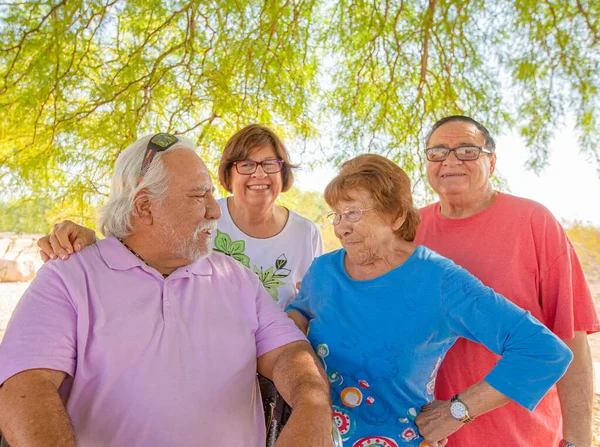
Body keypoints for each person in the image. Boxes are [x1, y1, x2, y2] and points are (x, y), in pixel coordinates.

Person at [0, 134, 332, 446]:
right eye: (198, 195)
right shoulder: (69, 277)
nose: (215, 210)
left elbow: (289, 353)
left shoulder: (236, 278)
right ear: (144, 206)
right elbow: (26, 388)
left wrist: (312, 408)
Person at [285, 154, 573, 447]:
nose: (340, 228)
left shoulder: (439, 280)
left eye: (354, 213)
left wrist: (458, 411)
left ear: (396, 215)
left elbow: (543, 350)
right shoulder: (323, 271)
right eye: (337, 214)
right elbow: (297, 316)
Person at [413, 115, 599, 447]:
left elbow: (571, 340)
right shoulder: (409, 230)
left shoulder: (534, 222)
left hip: (523, 435)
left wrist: (578, 441)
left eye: (467, 151)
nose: (450, 160)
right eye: (437, 151)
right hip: (426, 434)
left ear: (491, 161)